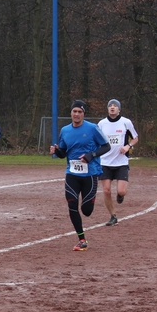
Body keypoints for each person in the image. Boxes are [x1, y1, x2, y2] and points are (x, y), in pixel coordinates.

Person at [49, 99, 110, 251]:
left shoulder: (92, 128)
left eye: (80, 112)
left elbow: (106, 146)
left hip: (90, 174)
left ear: (84, 114)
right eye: (74, 111)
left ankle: (90, 201)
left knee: (87, 211)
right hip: (72, 174)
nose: (76, 114)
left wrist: (91, 155)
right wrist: (57, 151)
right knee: (72, 205)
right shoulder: (65, 130)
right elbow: (63, 153)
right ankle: (82, 239)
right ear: (71, 113)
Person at [97, 99, 139, 227]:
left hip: (121, 162)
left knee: (121, 191)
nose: (112, 107)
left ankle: (120, 196)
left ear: (119, 109)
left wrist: (128, 146)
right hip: (105, 162)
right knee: (106, 190)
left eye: (115, 106)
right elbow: (96, 140)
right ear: (107, 109)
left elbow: (135, 138)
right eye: (110, 105)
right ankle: (113, 216)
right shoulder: (101, 124)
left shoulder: (126, 122)